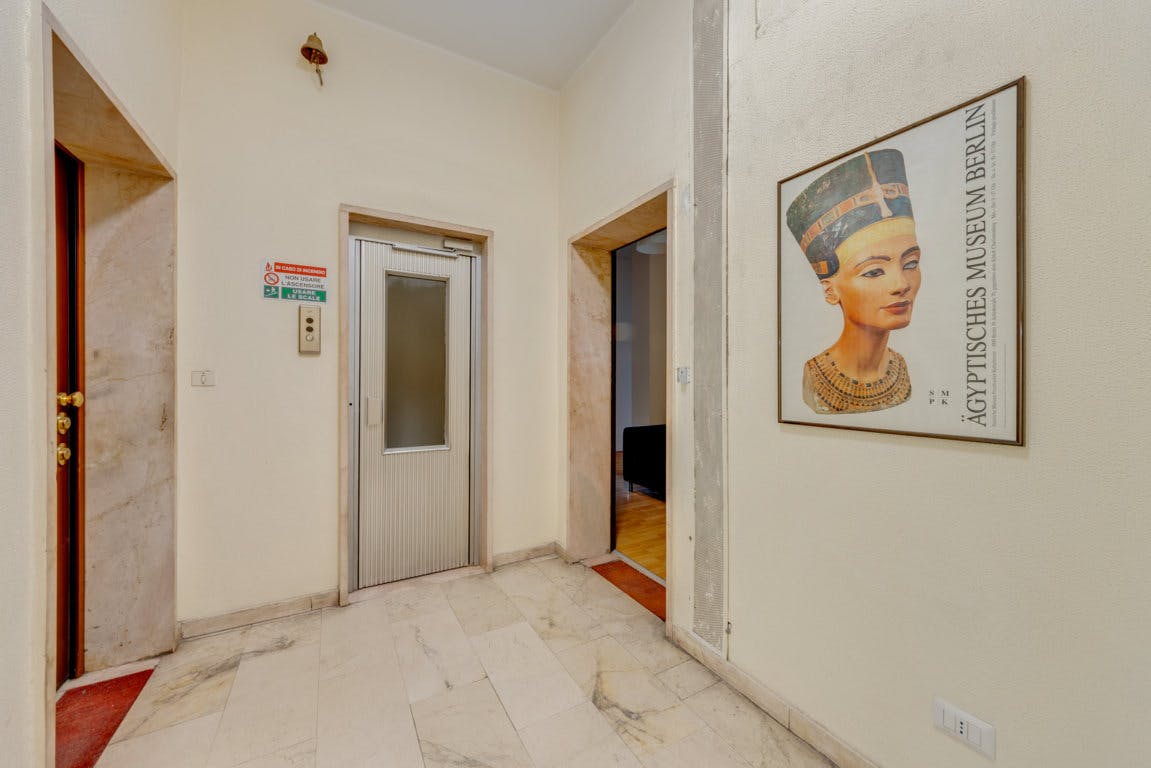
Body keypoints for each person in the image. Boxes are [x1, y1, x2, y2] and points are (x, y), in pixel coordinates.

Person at [785, 149, 921, 414]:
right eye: (874, 271)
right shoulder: (814, 374)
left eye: (910, 264)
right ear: (830, 290)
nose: (901, 284)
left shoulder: (901, 367)